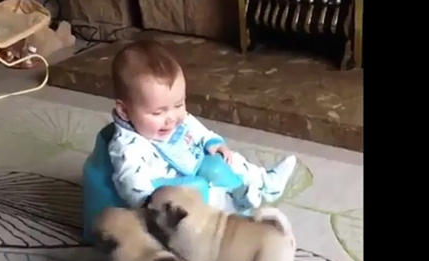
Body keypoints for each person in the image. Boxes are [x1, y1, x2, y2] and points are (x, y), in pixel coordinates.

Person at [108, 39, 297, 211]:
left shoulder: (175, 119)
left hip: (198, 161)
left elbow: (195, 128)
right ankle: (235, 206)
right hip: (174, 188)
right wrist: (146, 201)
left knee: (231, 161)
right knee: (209, 195)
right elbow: (129, 179)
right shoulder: (128, 146)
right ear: (125, 111)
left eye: (179, 104)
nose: (172, 118)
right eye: (158, 112)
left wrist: (211, 142)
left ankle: (267, 184)